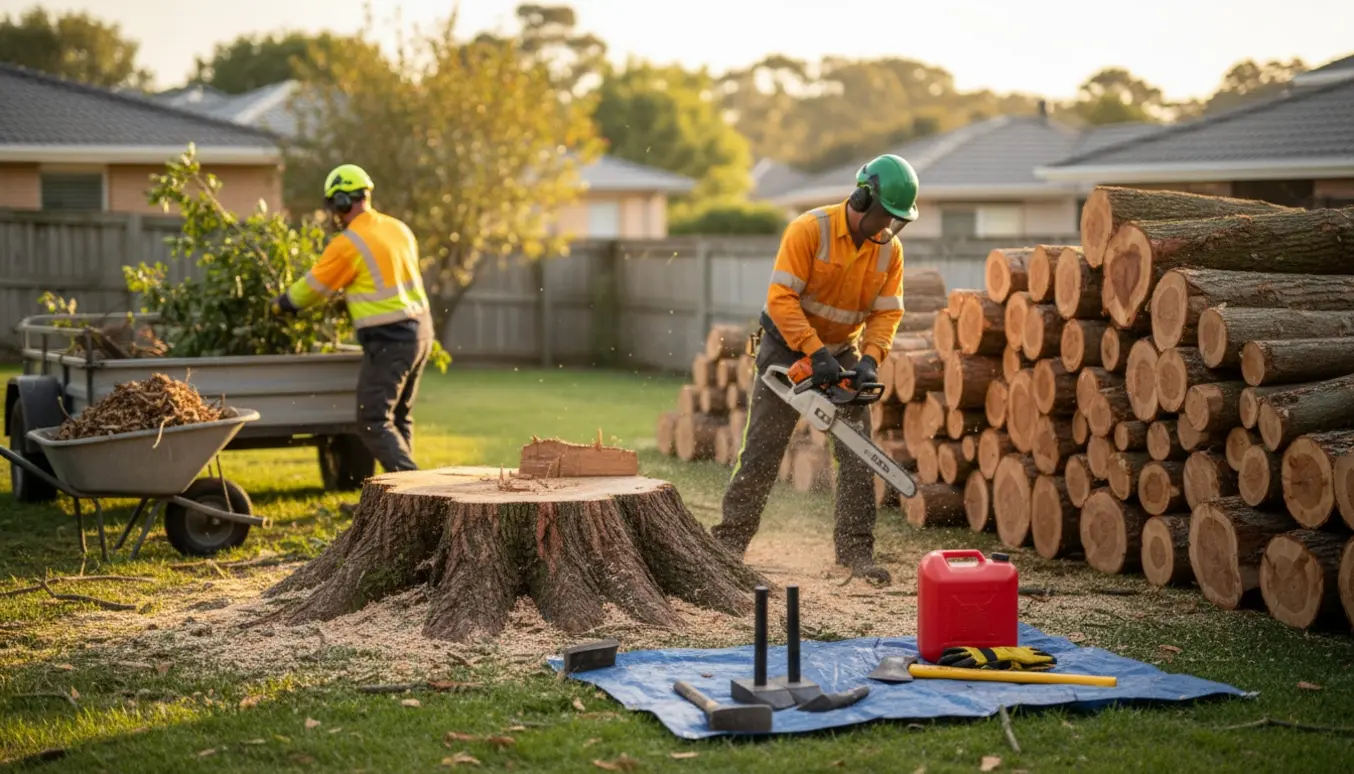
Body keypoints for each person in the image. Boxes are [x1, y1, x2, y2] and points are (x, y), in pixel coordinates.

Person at [712, 153, 919, 585]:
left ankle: (856, 552)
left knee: (857, 453)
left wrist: (869, 359)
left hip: (843, 350)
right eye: (883, 215)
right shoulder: (810, 230)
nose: (886, 226)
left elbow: (887, 314)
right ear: (862, 198)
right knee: (764, 447)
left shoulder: (889, 252)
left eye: (894, 220)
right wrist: (813, 350)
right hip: (786, 347)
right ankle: (729, 543)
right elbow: (781, 299)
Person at [271, 163, 434, 474]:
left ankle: (414, 488)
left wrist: (282, 305)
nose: (334, 211)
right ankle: (398, 501)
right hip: (422, 332)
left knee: (373, 420)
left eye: (334, 204)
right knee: (398, 418)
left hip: (390, 338)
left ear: (343, 201)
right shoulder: (398, 228)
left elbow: (312, 289)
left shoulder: (348, 243)